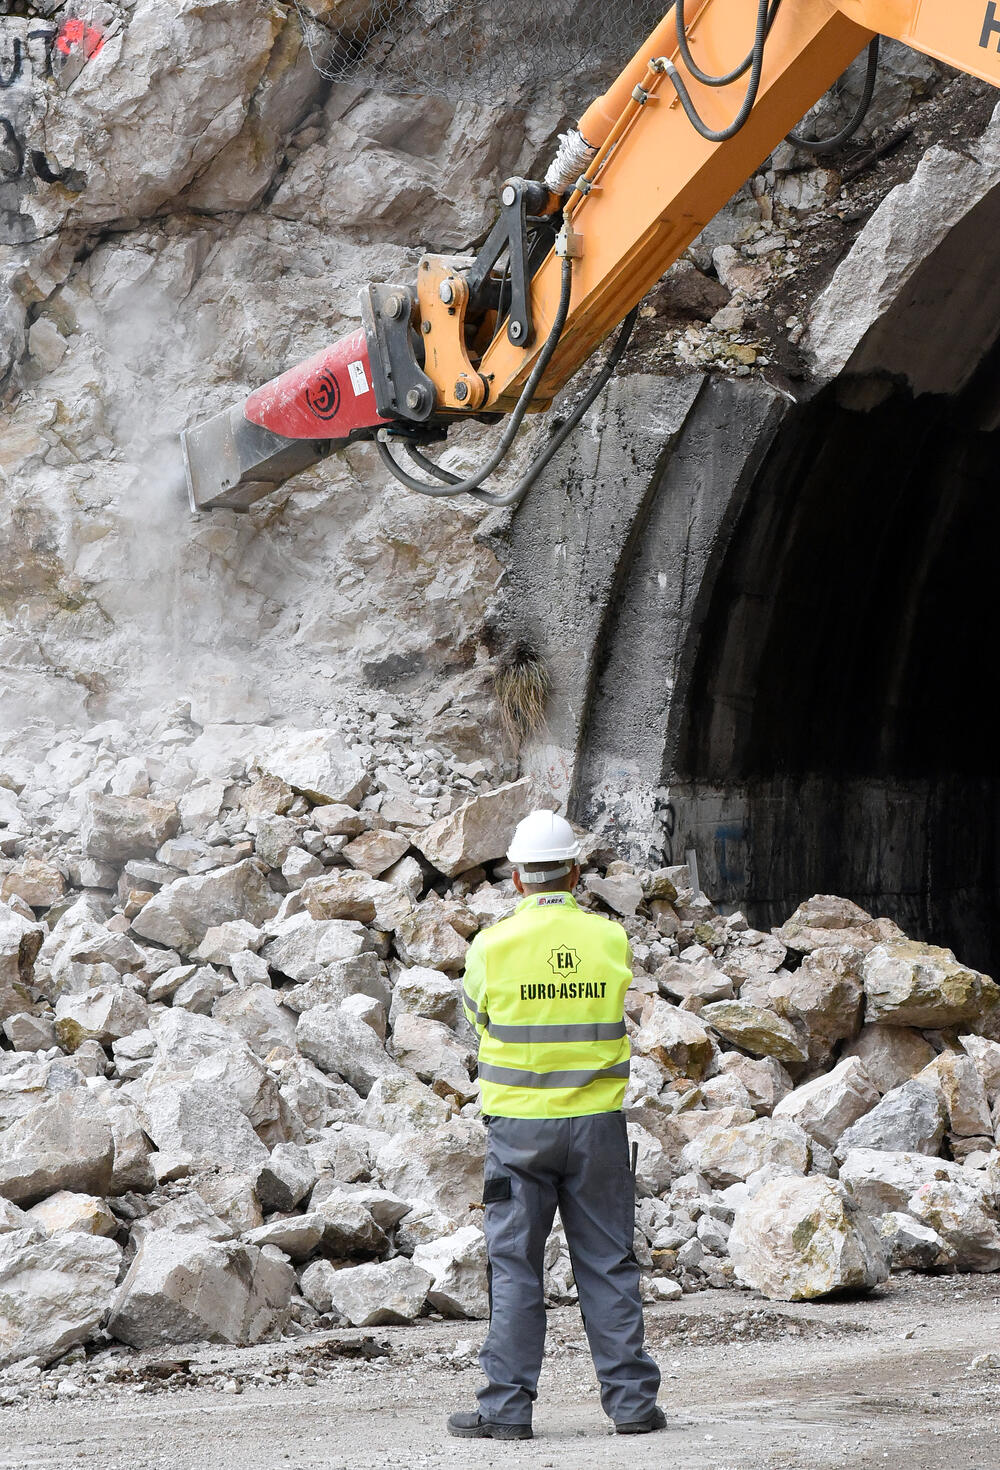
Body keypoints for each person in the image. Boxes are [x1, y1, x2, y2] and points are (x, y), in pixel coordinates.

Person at [447, 809, 663, 1442]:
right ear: (574, 872)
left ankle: (507, 1411)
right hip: (596, 1128)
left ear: (517, 879)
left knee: (514, 1267)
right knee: (607, 1263)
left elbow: (476, 1017)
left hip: (519, 1131)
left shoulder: (491, 945)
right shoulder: (609, 939)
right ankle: (631, 1408)